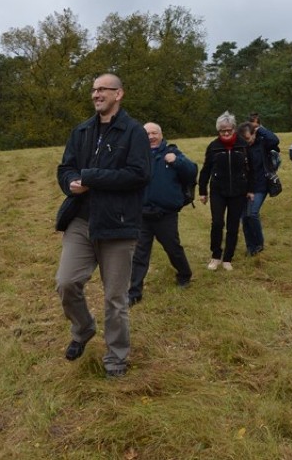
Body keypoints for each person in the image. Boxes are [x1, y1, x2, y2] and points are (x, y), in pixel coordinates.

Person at [54, 73, 151, 378]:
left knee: (115, 299)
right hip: (82, 221)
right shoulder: (81, 131)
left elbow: (139, 174)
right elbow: (66, 167)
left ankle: (116, 360)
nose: (96, 95)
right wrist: (71, 182)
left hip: (118, 225)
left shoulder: (133, 132)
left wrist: (92, 178)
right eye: (93, 90)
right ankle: (83, 330)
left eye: (102, 90)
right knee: (66, 283)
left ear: (118, 94)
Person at [128, 122, 196, 306]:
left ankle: (184, 274)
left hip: (165, 214)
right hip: (142, 214)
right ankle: (134, 292)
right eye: (147, 133)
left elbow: (192, 172)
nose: (150, 137)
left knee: (172, 248)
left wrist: (176, 161)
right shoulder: (136, 155)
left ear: (161, 134)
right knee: (139, 254)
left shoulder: (172, 152)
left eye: (154, 133)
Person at [198, 111, 254, 271]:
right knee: (217, 223)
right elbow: (206, 169)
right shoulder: (213, 147)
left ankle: (228, 258)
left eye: (229, 129)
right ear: (218, 131)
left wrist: (250, 189)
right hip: (218, 191)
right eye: (223, 130)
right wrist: (203, 191)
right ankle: (216, 256)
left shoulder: (243, 145)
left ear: (234, 129)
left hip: (238, 192)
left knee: (233, 226)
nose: (226, 133)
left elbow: (251, 169)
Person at [238, 119, 280, 256]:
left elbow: (275, 140)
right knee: (244, 217)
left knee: (253, 213)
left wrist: (260, 128)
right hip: (244, 186)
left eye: (248, 138)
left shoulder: (263, 142)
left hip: (261, 185)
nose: (246, 141)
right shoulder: (240, 147)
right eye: (243, 138)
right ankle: (250, 247)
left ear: (254, 134)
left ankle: (259, 243)